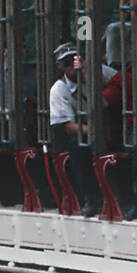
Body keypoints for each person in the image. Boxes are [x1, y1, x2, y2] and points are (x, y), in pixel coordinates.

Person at [48, 41, 99, 216]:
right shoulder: (58, 90)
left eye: (75, 60)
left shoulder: (93, 74)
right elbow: (68, 126)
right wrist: (93, 131)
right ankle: (89, 198)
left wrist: (86, 74)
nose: (72, 66)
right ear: (59, 65)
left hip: (105, 126)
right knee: (78, 146)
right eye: (67, 63)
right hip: (80, 132)